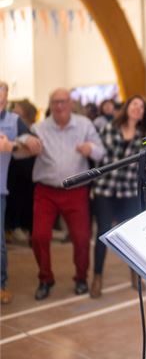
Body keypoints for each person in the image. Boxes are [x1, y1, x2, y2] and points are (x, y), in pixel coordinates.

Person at [30, 88, 106, 300]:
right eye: (55, 102)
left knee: (82, 238)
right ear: (50, 105)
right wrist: (29, 146)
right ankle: (45, 279)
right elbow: (23, 151)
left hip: (76, 190)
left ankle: (81, 278)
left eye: (63, 101)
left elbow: (101, 152)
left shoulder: (84, 125)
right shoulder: (39, 128)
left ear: (71, 104)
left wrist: (90, 149)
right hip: (46, 191)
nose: (60, 106)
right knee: (39, 237)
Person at [90, 95, 146, 298]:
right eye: (134, 104)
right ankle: (97, 277)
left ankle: (135, 273)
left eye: (141, 106)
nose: (137, 108)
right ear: (127, 107)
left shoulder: (145, 135)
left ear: (143, 113)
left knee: (132, 236)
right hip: (105, 189)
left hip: (129, 191)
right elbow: (101, 156)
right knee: (102, 234)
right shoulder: (109, 128)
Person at [0, 82, 41, 304]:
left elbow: (29, 141)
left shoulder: (13, 121)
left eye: (3, 99)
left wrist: (17, 145)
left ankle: (0, 285)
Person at [6, 99, 38, 243]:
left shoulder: (31, 128)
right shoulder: (12, 124)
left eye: (17, 108)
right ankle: (15, 228)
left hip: (27, 171)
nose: (13, 111)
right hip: (15, 170)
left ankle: (26, 229)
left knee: (26, 201)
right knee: (17, 200)